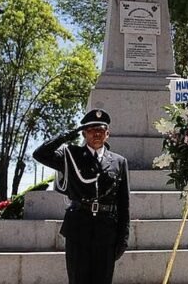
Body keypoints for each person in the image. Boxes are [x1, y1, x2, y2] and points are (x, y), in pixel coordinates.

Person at [33, 108, 130, 284]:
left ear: (108, 134)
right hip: (78, 228)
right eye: (92, 130)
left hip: (106, 230)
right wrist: (68, 135)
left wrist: (123, 237)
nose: (97, 134)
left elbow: (124, 203)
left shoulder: (119, 162)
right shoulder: (71, 155)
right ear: (84, 133)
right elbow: (39, 154)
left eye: (101, 130)